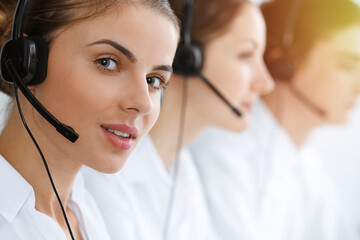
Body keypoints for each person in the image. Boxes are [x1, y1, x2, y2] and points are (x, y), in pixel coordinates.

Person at [82, 0, 273, 239]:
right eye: (245, 55)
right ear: (187, 58)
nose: (266, 82)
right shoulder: (105, 177)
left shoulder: (183, 172)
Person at [0, 0, 179, 239]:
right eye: (107, 63)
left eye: (154, 80)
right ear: (26, 63)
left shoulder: (97, 210)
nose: (143, 104)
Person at [189, 0, 360, 239]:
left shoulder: (308, 168)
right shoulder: (223, 152)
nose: (358, 84)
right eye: (346, 65)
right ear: (285, 65)